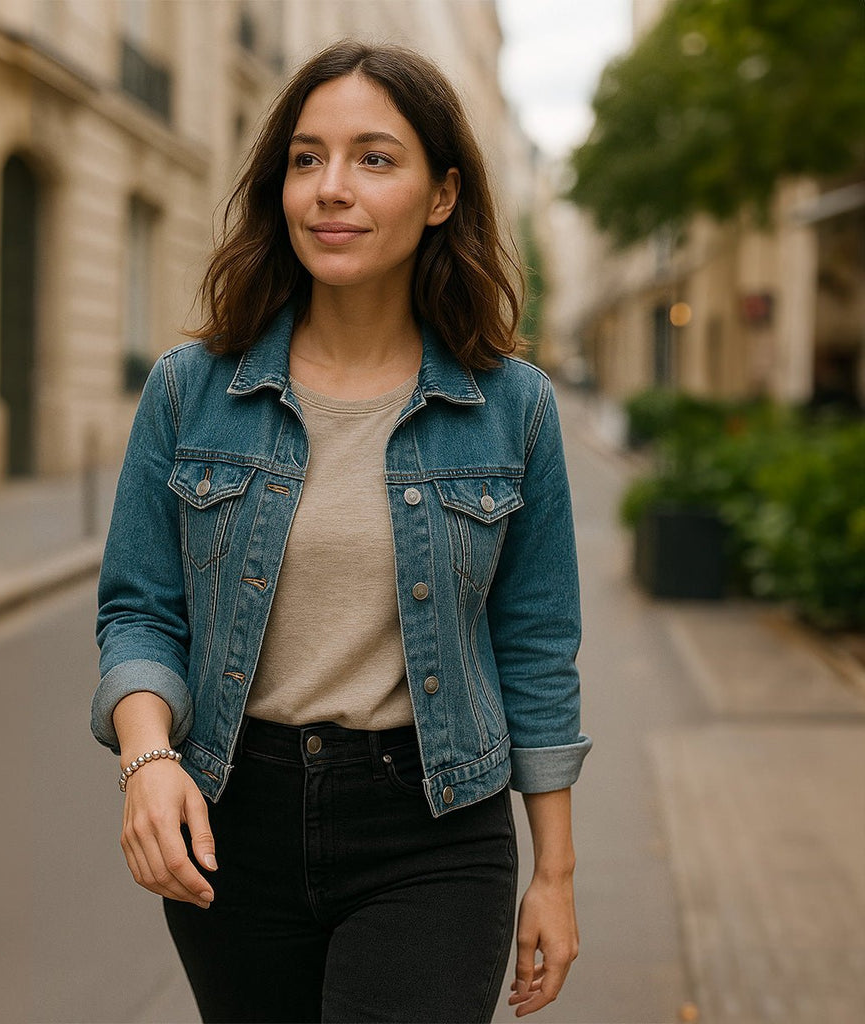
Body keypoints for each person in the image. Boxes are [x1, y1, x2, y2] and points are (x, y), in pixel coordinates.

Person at [91, 39, 592, 1024]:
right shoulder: (190, 389)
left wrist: (556, 872)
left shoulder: (512, 408)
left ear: (442, 194)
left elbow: (536, 651)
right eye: (307, 158)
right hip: (234, 818)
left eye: (374, 158)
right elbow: (140, 611)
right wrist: (148, 761)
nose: (332, 187)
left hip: (435, 826)